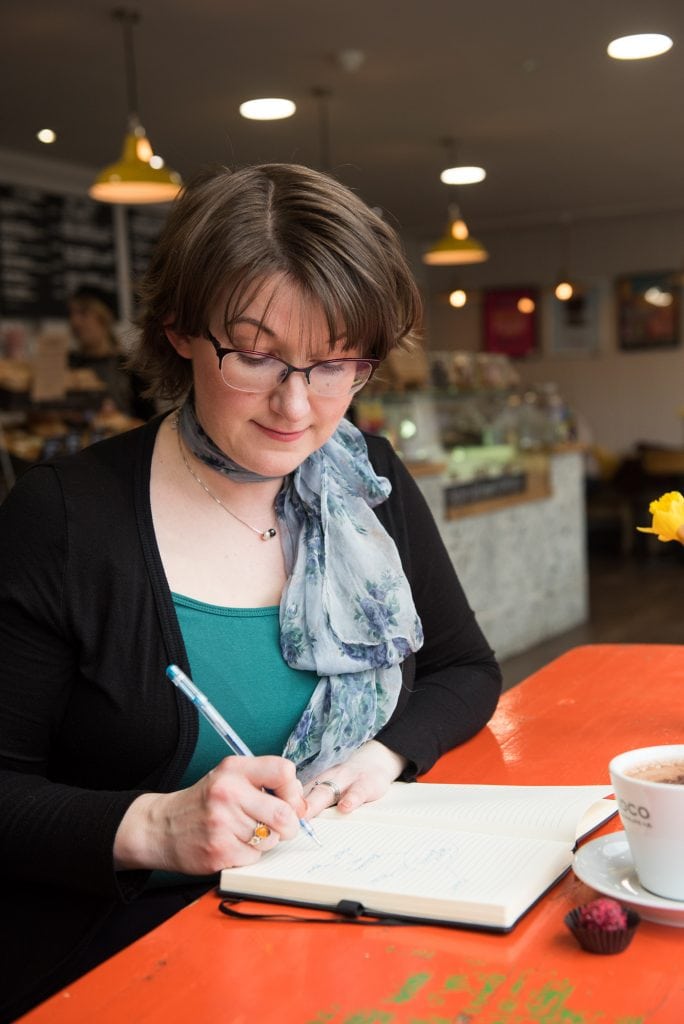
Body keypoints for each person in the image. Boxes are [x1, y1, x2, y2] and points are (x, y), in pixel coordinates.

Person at [0, 163, 502, 1020]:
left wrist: (377, 758)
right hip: (129, 958)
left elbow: (465, 670)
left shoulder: (368, 477)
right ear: (182, 330)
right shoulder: (66, 519)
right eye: (258, 355)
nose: (298, 406)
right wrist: (155, 827)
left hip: (349, 927)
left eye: (337, 364)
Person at [67, 284, 155, 420]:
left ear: (104, 317)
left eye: (83, 313)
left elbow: (149, 420)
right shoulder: (69, 365)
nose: (75, 322)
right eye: (71, 314)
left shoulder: (130, 367)